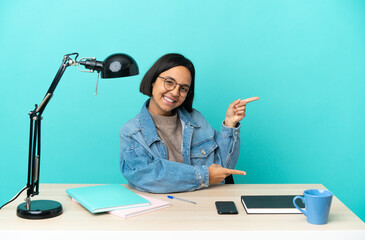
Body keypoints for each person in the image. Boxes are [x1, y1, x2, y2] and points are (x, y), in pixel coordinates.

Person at [119, 53, 259, 193]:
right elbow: (145, 176)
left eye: (183, 88)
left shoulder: (196, 119)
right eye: (169, 82)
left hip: (204, 204)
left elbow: (222, 168)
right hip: (161, 208)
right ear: (153, 80)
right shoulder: (131, 132)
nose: (175, 92)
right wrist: (204, 176)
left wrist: (229, 124)